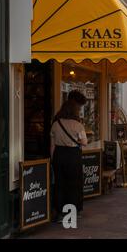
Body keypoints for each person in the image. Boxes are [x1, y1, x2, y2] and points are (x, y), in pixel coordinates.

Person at [50, 91, 88, 222]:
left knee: (60, 184)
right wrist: (77, 140)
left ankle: (60, 213)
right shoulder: (78, 125)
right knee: (73, 184)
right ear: (74, 110)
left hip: (59, 155)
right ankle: (71, 213)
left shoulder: (56, 124)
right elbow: (84, 142)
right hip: (73, 156)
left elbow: (52, 145)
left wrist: (52, 159)